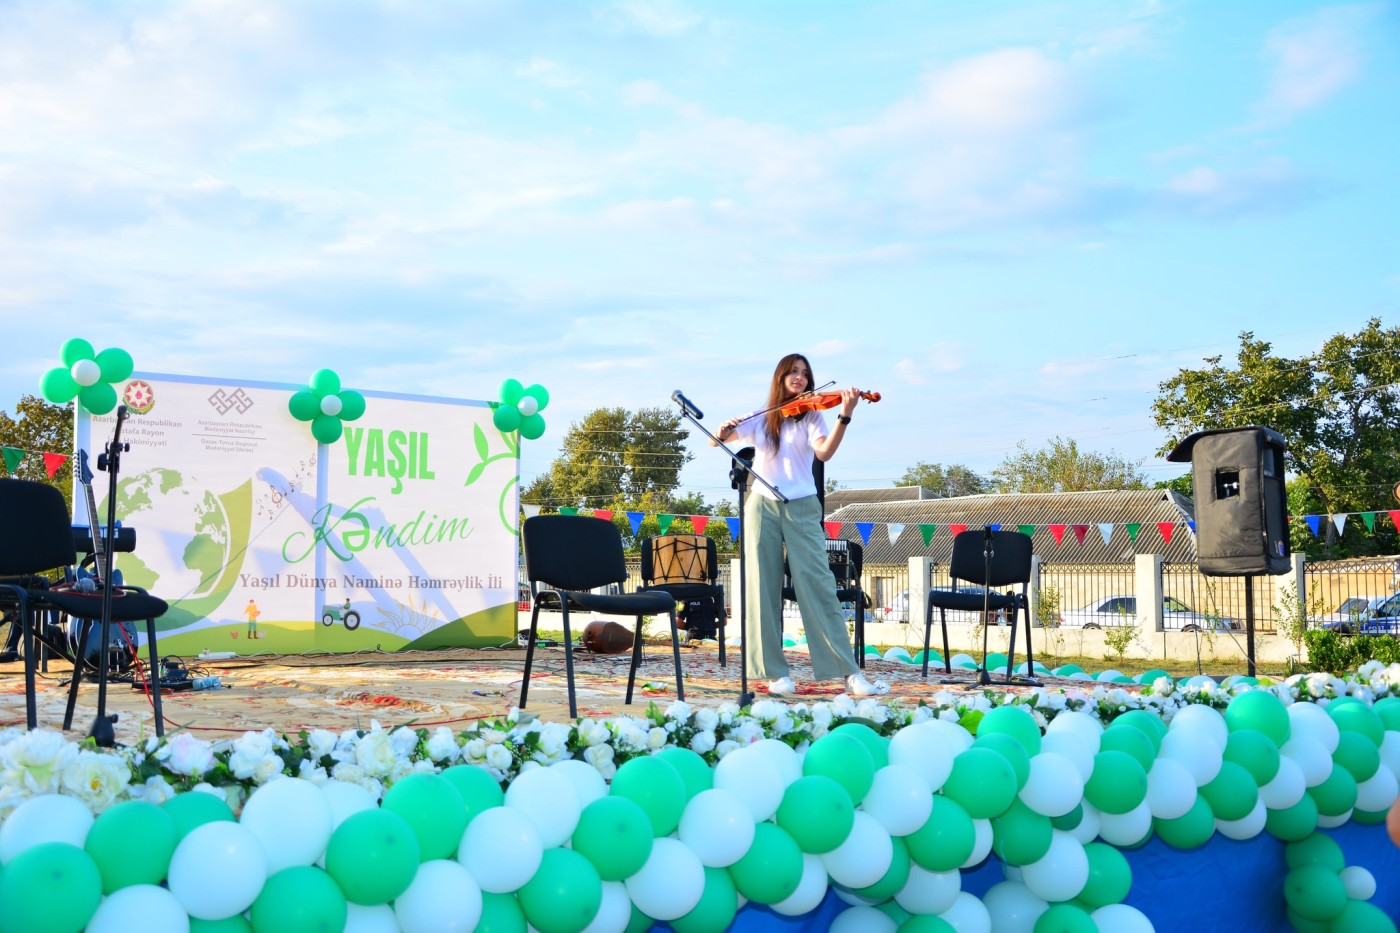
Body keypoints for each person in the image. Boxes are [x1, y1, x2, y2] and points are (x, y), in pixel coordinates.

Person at [714, 353, 888, 697]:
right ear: (780, 378)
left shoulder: (812, 416)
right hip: (762, 503)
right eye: (793, 372)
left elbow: (823, 453)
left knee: (818, 584)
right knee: (761, 587)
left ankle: (849, 674)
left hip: (803, 505)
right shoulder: (762, 418)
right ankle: (774, 674)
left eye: (804, 374)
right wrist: (724, 429)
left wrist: (846, 414)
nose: (799, 378)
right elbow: (717, 440)